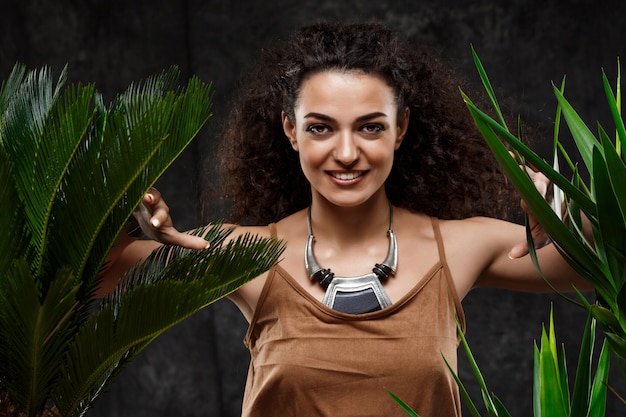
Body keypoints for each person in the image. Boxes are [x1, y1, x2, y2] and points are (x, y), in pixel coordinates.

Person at [101, 21, 589, 417]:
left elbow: (597, 266)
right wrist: (126, 223)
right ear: (291, 132)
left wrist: (565, 209)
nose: (347, 153)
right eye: (321, 128)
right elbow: (88, 279)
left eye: (371, 127)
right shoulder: (241, 253)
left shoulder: (459, 247)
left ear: (401, 131)